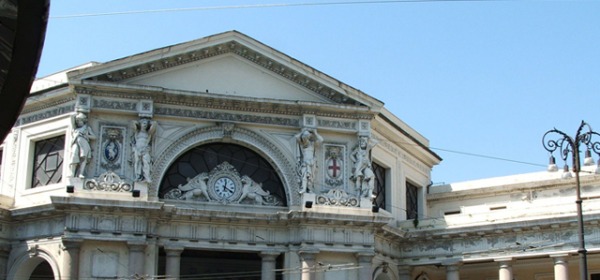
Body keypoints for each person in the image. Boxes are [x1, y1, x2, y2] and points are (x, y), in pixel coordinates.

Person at [295, 128, 323, 193]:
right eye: (304, 137)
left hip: (312, 162)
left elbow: (321, 140)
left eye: (306, 137)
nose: (305, 139)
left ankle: (310, 189)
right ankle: (304, 189)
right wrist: (303, 131)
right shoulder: (302, 145)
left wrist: (315, 133)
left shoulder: (312, 144)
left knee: (311, 177)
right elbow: (297, 137)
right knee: (304, 175)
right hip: (305, 162)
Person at [70, 112, 96, 178]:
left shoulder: (87, 128)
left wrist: (86, 135)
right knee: (74, 156)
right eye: (77, 121)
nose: (78, 122)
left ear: (83, 121)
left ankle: (81, 173)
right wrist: (77, 112)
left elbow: (94, 137)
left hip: (84, 143)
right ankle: (72, 174)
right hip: (76, 143)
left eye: (80, 121)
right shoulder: (75, 129)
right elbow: (71, 117)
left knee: (84, 158)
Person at [132, 118, 157, 182]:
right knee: (137, 162)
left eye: (146, 123)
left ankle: (146, 176)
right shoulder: (137, 132)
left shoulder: (148, 133)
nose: (145, 125)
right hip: (137, 149)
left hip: (145, 149)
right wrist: (137, 123)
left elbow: (154, 124)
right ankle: (137, 176)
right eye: (143, 123)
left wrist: (150, 123)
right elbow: (133, 122)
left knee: (146, 162)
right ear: (140, 124)